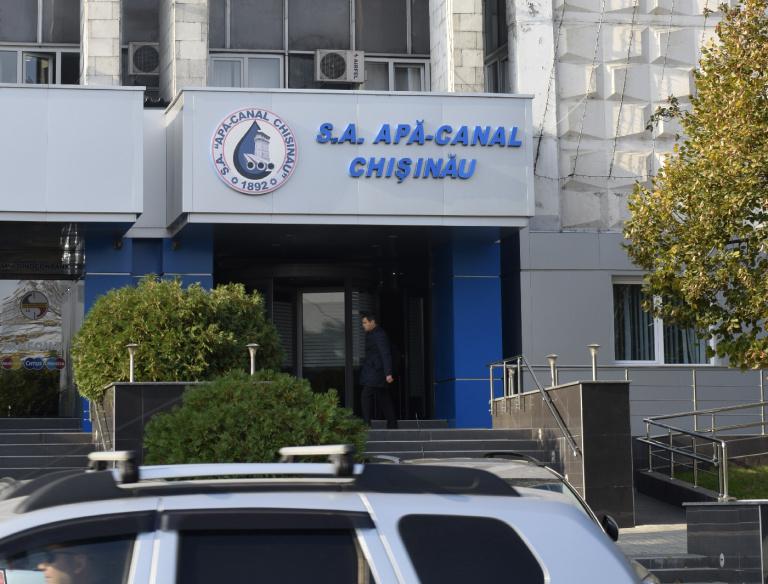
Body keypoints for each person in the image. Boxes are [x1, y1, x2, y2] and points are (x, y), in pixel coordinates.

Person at [360, 312, 397, 429]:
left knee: (365, 395)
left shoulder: (379, 334)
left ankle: (367, 424)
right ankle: (392, 424)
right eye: (363, 323)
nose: (363, 325)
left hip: (377, 372)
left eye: (365, 322)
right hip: (374, 370)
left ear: (372, 322)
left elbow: (385, 353)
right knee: (383, 397)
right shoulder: (372, 333)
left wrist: (388, 373)